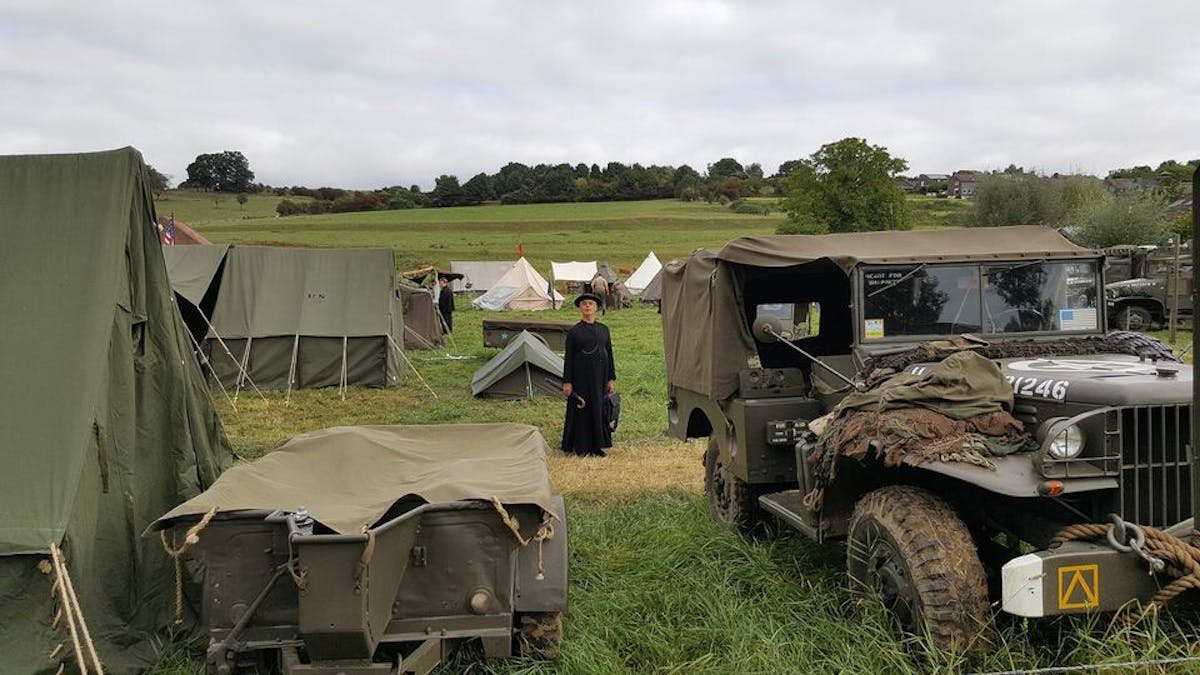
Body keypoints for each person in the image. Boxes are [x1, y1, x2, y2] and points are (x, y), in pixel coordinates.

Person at [561, 293, 616, 456]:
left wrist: (611, 378)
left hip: (600, 377)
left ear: (596, 308)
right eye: (584, 304)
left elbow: (609, 354)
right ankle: (581, 446)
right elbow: (569, 358)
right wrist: (567, 382)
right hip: (581, 377)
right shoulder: (574, 332)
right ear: (580, 308)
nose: (587, 306)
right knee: (583, 408)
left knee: (599, 409)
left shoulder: (604, 329)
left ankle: (597, 445)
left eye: (591, 304)